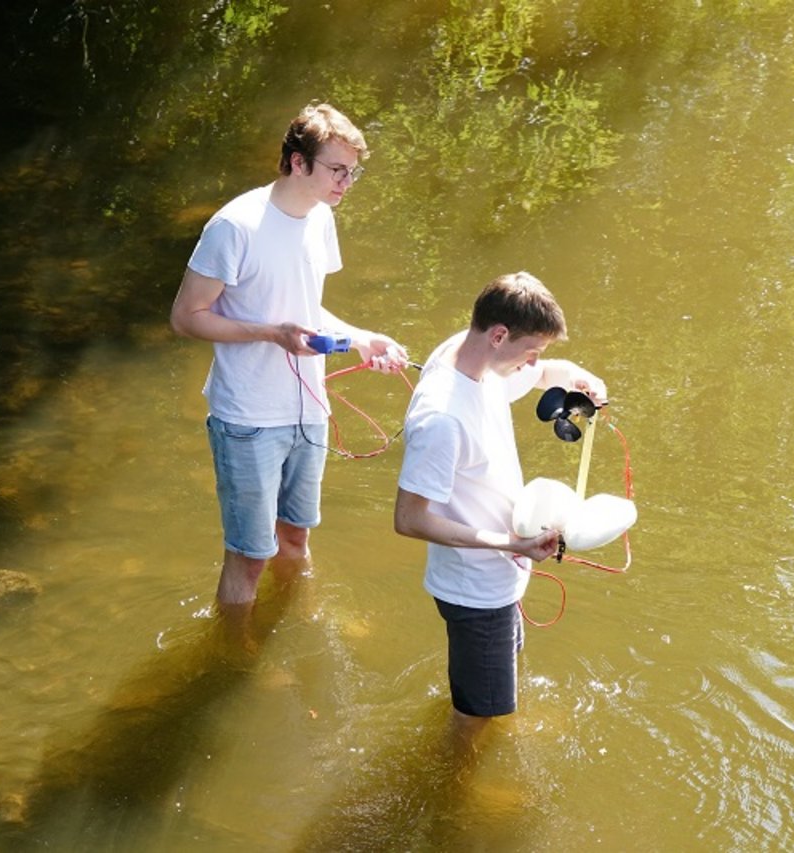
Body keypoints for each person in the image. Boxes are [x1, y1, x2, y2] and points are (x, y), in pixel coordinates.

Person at [170, 101, 408, 645]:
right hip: (248, 416)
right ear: (298, 163)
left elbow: (305, 310)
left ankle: (291, 628)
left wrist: (360, 339)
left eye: (353, 171)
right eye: (337, 170)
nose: (347, 183)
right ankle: (234, 652)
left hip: (310, 410)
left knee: (296, 539)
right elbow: (186, 318)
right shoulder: (235, 226)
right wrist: (271, 334)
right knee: (250, 555)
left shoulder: (321, 219)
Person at [393, 271, 607, 749]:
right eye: (532, 352)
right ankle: (453, 792)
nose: (535, 364)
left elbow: (542, 374)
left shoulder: (477, 359)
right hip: (476, 588)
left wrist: (575, 376)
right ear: (498, 335)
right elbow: (408, 519)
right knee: (478, 719)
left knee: (489, 692)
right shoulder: (441, 420)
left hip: (501, 574)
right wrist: (511, 544)